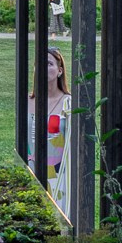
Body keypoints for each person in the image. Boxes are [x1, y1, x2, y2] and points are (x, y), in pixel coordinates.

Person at [28, 47, 72, 219]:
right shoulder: (26, 101)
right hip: (30, 170)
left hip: (59, 177)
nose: (42, 68)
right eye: (38, 64)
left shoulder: (69, 104)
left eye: (48, 63)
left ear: (60, 70)